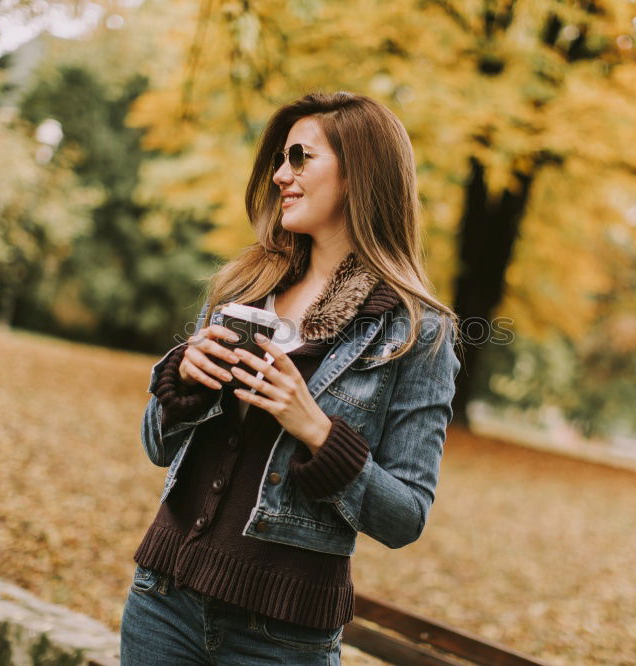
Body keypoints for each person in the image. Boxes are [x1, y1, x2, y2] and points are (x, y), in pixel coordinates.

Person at [119, 91, 461, 664]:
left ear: (360, 175)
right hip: (163, 602)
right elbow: (157, 448)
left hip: (281, 640)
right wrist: (183, 381)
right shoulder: (242, 288)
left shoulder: (416, 333)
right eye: (280, 159)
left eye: (301, 157)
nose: (281, 175)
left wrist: (318, 431)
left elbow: (406, 516)